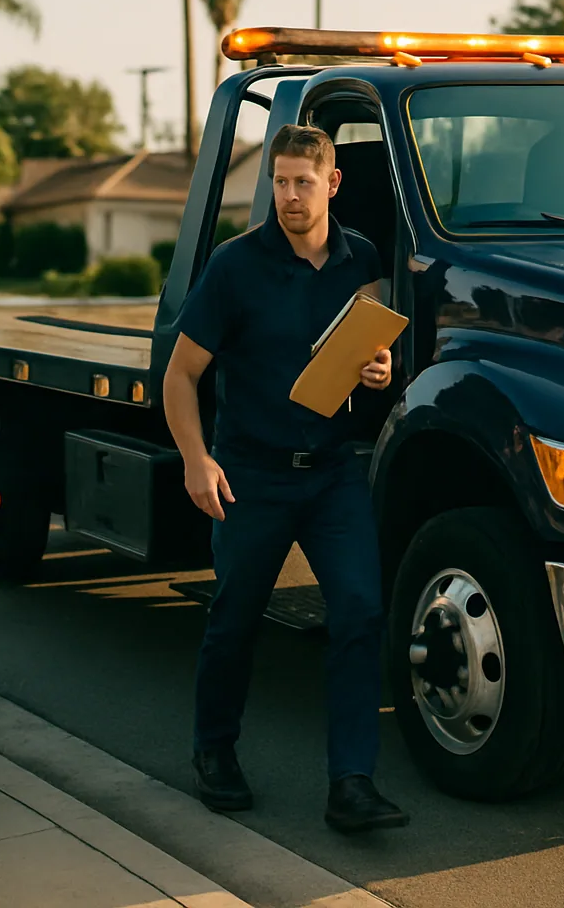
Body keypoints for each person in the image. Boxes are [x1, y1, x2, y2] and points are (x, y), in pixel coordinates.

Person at [163, 123, 408, 833]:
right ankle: (214, 753)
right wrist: (195, 459)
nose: (290, 196)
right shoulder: (235, 267)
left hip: (333, 474)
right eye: (280, 182)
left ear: (332, 184)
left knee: (360, 614)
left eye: (304, 182)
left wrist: (379, 372)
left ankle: (352, 784)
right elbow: (181, 376)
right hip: (251, 476)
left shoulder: (360, 256)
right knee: (234, 621)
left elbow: (367, 357)